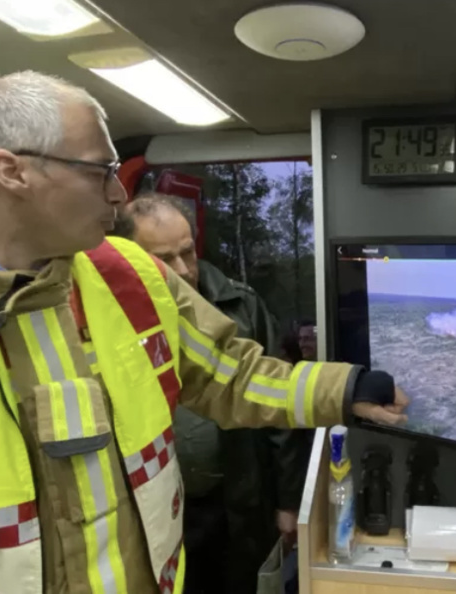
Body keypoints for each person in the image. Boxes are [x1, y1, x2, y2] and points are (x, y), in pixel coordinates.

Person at [0, 71, 408, 594]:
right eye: (99, 171)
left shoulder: (130, 274)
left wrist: (346, 389)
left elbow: (233, 374)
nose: (117, 194)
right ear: (10, 171)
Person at [113, 193, 313, 594]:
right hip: (157, 509)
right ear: (129, 259)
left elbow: (279, 412)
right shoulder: (109, 318)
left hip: (235, 500)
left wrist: (290, 503)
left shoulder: (241, 305)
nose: (183, 270)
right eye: (164, 259)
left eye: (187, 251)